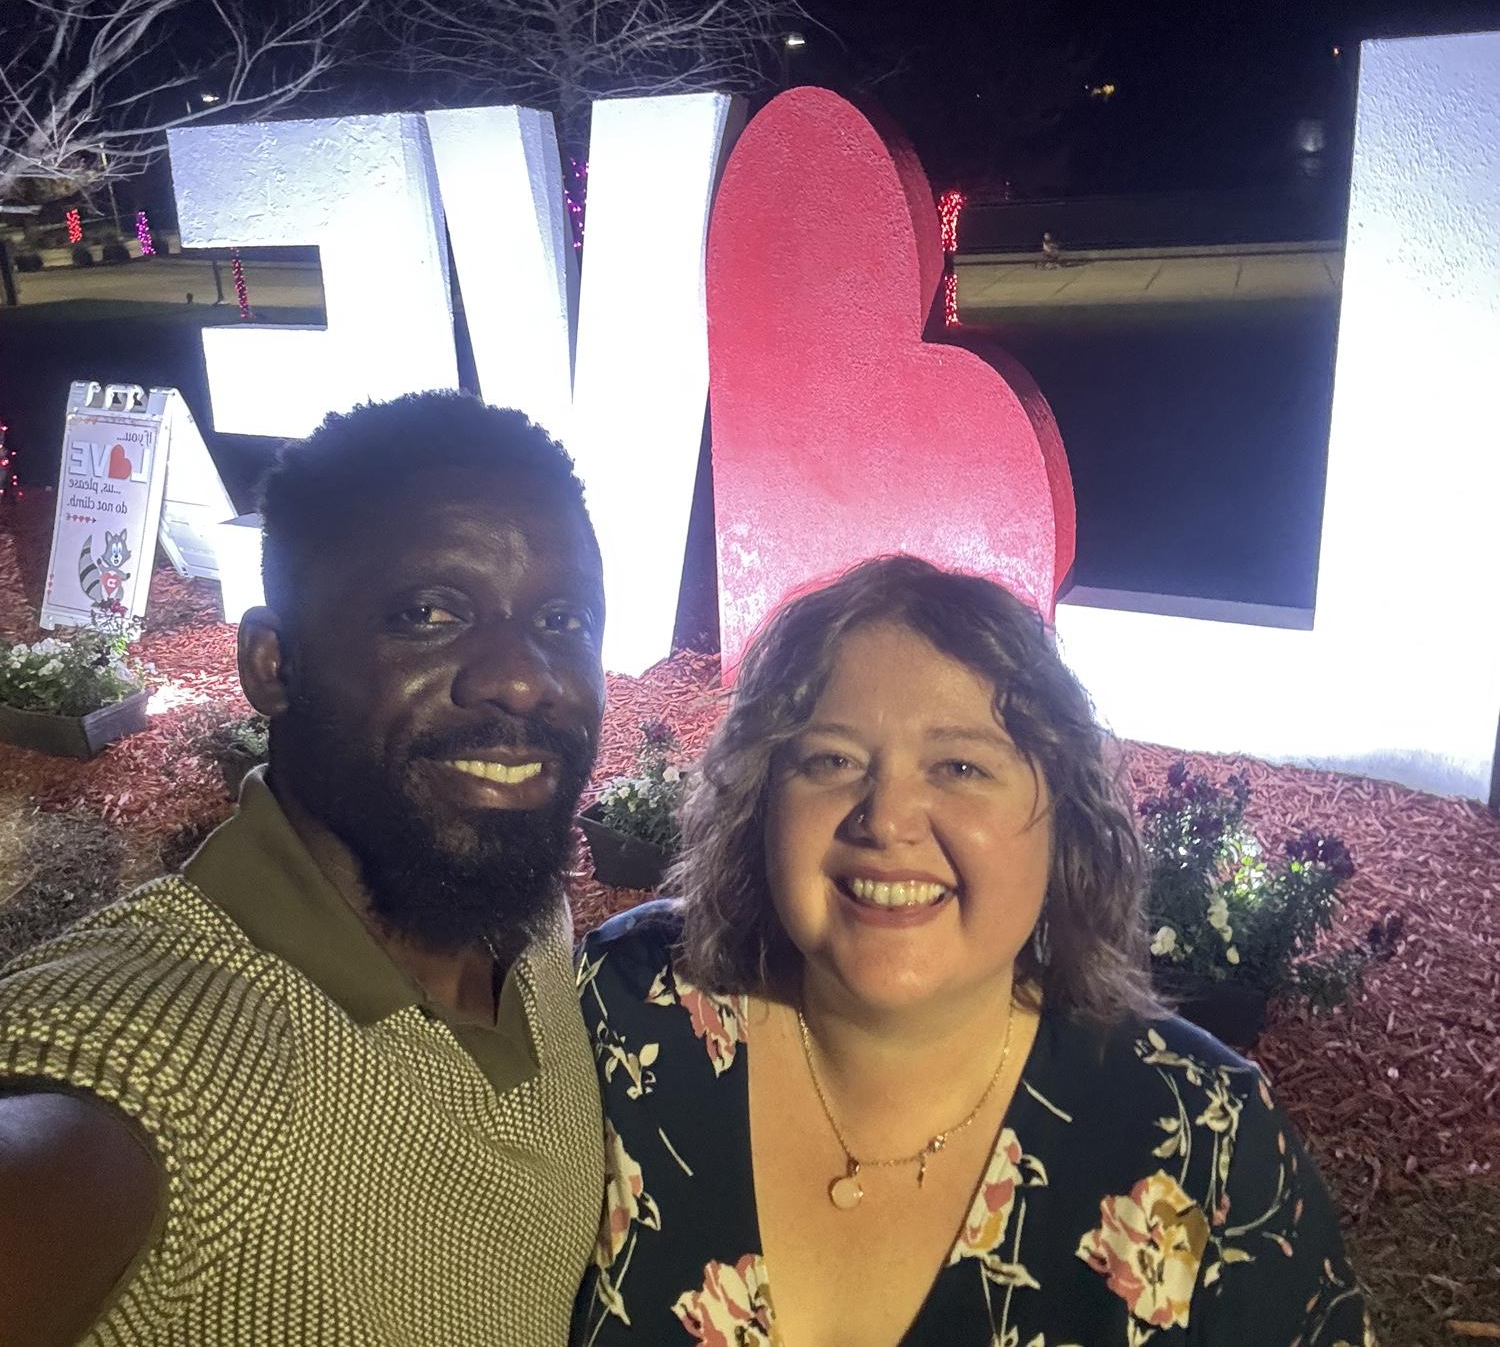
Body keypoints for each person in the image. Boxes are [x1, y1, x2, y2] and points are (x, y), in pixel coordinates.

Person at [573, 556, 1370, 1346]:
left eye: (960, 766)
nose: (888, 819)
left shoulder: (1210, 1146)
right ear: (762, 802)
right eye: (833, 760)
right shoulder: (626, 1015)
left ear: (1062, 825)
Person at [0, 391, 610, 1346]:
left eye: (564, 618)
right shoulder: (170, 1054)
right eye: (428, 613)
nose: (525, 677)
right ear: (272, 666)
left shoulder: (528, 923)